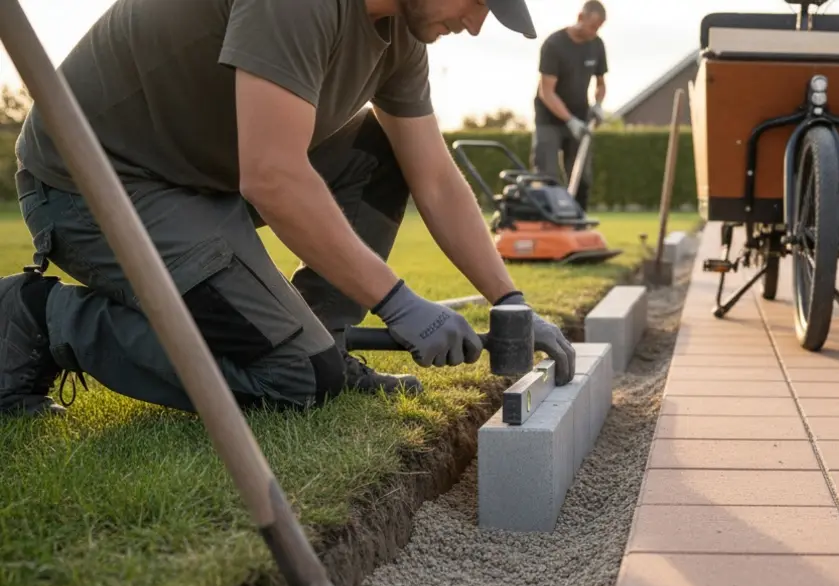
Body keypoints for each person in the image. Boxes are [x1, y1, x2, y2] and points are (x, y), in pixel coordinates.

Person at [1, 0, 577, 419]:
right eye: (478, 2)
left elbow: (433, 176)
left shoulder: (403, 35)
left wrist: (510, 301)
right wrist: (398, 302)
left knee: (383, 152)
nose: (475, 25)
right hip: (98, 187)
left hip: (203, 183)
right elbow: (273, 176)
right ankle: (42, 317)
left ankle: (321, 336)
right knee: (297, 380)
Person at [532, 1, 608, 211]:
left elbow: (600, 84)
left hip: (580, 116)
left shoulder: (597, 45)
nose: (595, 32)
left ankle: (578, 224)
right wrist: (570, 121)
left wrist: (598, 105)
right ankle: (547, 224)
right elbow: (546, 91)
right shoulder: (554, 45)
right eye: (592, 26)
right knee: (547, 176)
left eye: (599, 28)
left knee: (581, 175)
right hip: (549, 120)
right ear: (580, 17)